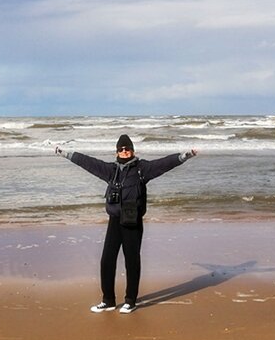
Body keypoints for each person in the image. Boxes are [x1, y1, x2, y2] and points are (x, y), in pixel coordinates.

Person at [56, 134, 197, 314]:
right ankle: (108, 301)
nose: (124, 151)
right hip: (115, 221)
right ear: (117, 151)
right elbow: (88, 163)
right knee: (107, 260)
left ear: (132, 150)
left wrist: (184, 156)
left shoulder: (142, 169)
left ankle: (130, 300)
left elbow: (163, 164)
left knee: (132, 261)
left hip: (132, 221)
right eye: (121, 149)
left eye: (127, 148)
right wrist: (65, 154)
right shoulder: (111, 170)